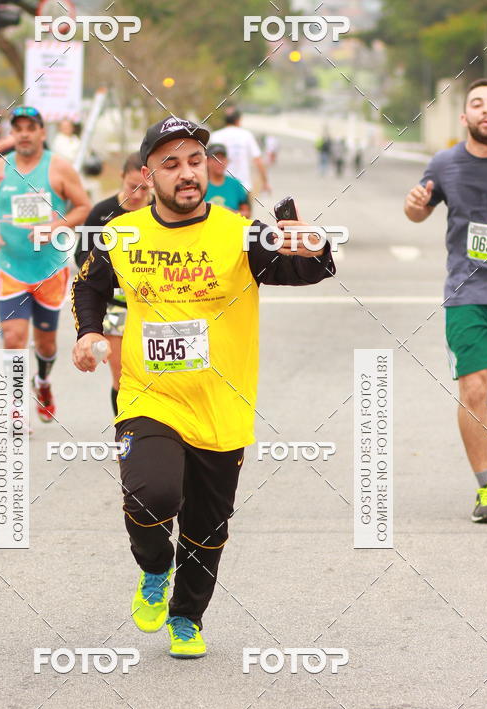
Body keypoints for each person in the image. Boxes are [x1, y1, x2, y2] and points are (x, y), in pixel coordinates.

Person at [71, 116, 334, 659]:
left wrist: (313, 246)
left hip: (222, 406)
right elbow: (88, 284)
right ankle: (153, 567)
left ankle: (186, 618)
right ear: (149, 175)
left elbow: (307, 271)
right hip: (150, 396)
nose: (187, 173)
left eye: (195, 161)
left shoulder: (241, 234)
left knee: (206, 529)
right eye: (171, 164)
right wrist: (88, 332)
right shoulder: (121, 233)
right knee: (151, 494)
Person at [405, 77, 487, 523]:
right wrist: (415, 203)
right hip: (468, 292)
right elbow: (417, 211)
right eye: (477, 103)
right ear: (464, 116)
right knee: (475, 388)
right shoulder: (445, 163)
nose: (486, 110)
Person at [0, 106, 89, 423]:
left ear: (41, 132)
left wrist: (55, 227)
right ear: (12, 134)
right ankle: (15, 407)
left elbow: (83, 207)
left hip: (50, 269)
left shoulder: (59, 168)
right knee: (13, 338)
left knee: (46, 344)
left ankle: (44, 381)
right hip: (10, 266)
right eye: (18, 128)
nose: (24, 134)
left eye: (30, 128)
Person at [74, 152, 151, 414]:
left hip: (154, 303)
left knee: (155, 375)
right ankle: (124, 432)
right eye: (132, 187)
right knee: (122, 376)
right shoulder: (102, 212)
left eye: (144, 189)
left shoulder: (159, 212)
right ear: (121, 178)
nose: (137, 195)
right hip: (116, 304)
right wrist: (110, 271)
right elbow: (81, 256)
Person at [210, 106, 270, 197]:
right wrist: (265, 182)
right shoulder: (246, 135)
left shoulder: (215, 136)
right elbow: (258, 161)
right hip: (243, 187)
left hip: (220, 187)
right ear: (238, 120)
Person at [204, 144, 250, 216]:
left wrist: (229, 213)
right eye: (215, 159)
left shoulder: (236, 184)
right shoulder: (201, 185)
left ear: (227, 160)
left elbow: (247, 214)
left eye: (222, 158)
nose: (220, 162)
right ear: (207, 161)